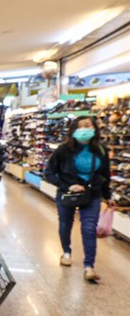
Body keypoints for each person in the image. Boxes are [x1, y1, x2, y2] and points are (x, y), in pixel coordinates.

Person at [45, 117, 114, 281]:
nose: (85, 129)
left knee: (89, 228)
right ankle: (66, 253)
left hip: (93, 194)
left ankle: (89, 266)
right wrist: (67, 185)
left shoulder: (101, 150)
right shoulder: (63, 150)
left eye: (88, 125)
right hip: (67, 193)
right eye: (81, 126)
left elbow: (105, 175)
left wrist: (108, 196)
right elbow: (48, 173)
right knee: (65, 224)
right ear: (74, 129)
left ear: (94, 128)